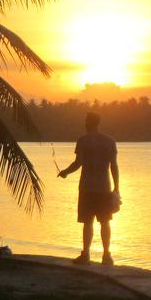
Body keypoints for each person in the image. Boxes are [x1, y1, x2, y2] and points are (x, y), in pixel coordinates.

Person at [57, 112, 120, 266]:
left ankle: (86, 254)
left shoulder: (83, 140)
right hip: (104, 187)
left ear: (89, 123)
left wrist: (65, 172)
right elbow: (114, 166)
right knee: (105, 222)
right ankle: (106, 256)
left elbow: (78, 163)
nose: (85, 124)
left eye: (86, 121)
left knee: (88, 222)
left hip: (87, 187)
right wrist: (116, 188)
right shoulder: (110, 141)